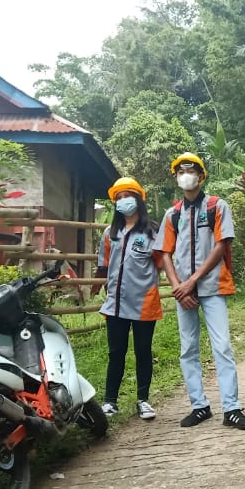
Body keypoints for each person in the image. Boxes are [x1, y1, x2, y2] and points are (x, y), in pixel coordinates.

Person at [156, 152, 245, 430]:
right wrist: (178, 286)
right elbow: (165, 253)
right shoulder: (172, 214)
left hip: (212, 287)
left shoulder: (217, 206)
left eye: (191, 170)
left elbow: (221, 246)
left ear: (201, 176)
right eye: (180, 171)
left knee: (222, 346)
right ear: (176, 177)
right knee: (188, 349)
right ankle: (199, 406)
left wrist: (192, 282)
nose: (185, 175)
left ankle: (231, 409)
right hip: (182, 293)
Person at [94, 177, 163, 420]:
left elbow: (161, 264)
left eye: (128, 196)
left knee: (143, 351)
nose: (124, 201)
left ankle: (143, 400)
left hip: (144, 302)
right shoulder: (109, 233)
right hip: (115, 304)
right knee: (116, 352)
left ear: (139, 199)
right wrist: (98, 287)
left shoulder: (153, 232)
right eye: (119, 198)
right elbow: (103, 266)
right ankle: (110, 401)